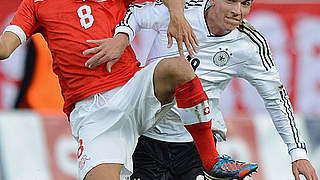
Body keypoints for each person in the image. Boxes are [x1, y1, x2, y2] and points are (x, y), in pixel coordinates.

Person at [85, 0, 319, 179]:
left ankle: (211, 160)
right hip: (146, 138)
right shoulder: (181, 12)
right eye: (230, 1)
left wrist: (297, 153)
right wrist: (123, 37)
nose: (238, 11)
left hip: (195, 147)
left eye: (245, 3)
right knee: (179, 70)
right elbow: (135, 13)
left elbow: (277, 98)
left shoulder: (249, 44)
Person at [0, 0, 233, 180]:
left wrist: (176, 15)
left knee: (179, 69)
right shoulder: (37, 3)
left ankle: (211, 158)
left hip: (132, 89)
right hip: (93, 114)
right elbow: (5, 48)